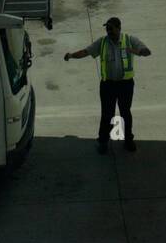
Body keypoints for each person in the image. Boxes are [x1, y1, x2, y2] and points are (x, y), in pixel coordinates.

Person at [64, 17, 151, 154]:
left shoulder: (129, 40)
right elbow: (86, 52)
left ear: (119, 28)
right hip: (107, 86)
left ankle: (128, 140)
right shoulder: (102, 42)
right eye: (107, 28)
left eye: (111, 28)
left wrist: (137, 51)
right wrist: (71, 55)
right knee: (107, 114)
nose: (108, 31)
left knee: (125, 113)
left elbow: (147, 51)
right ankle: (103, 141)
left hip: (125, 85)